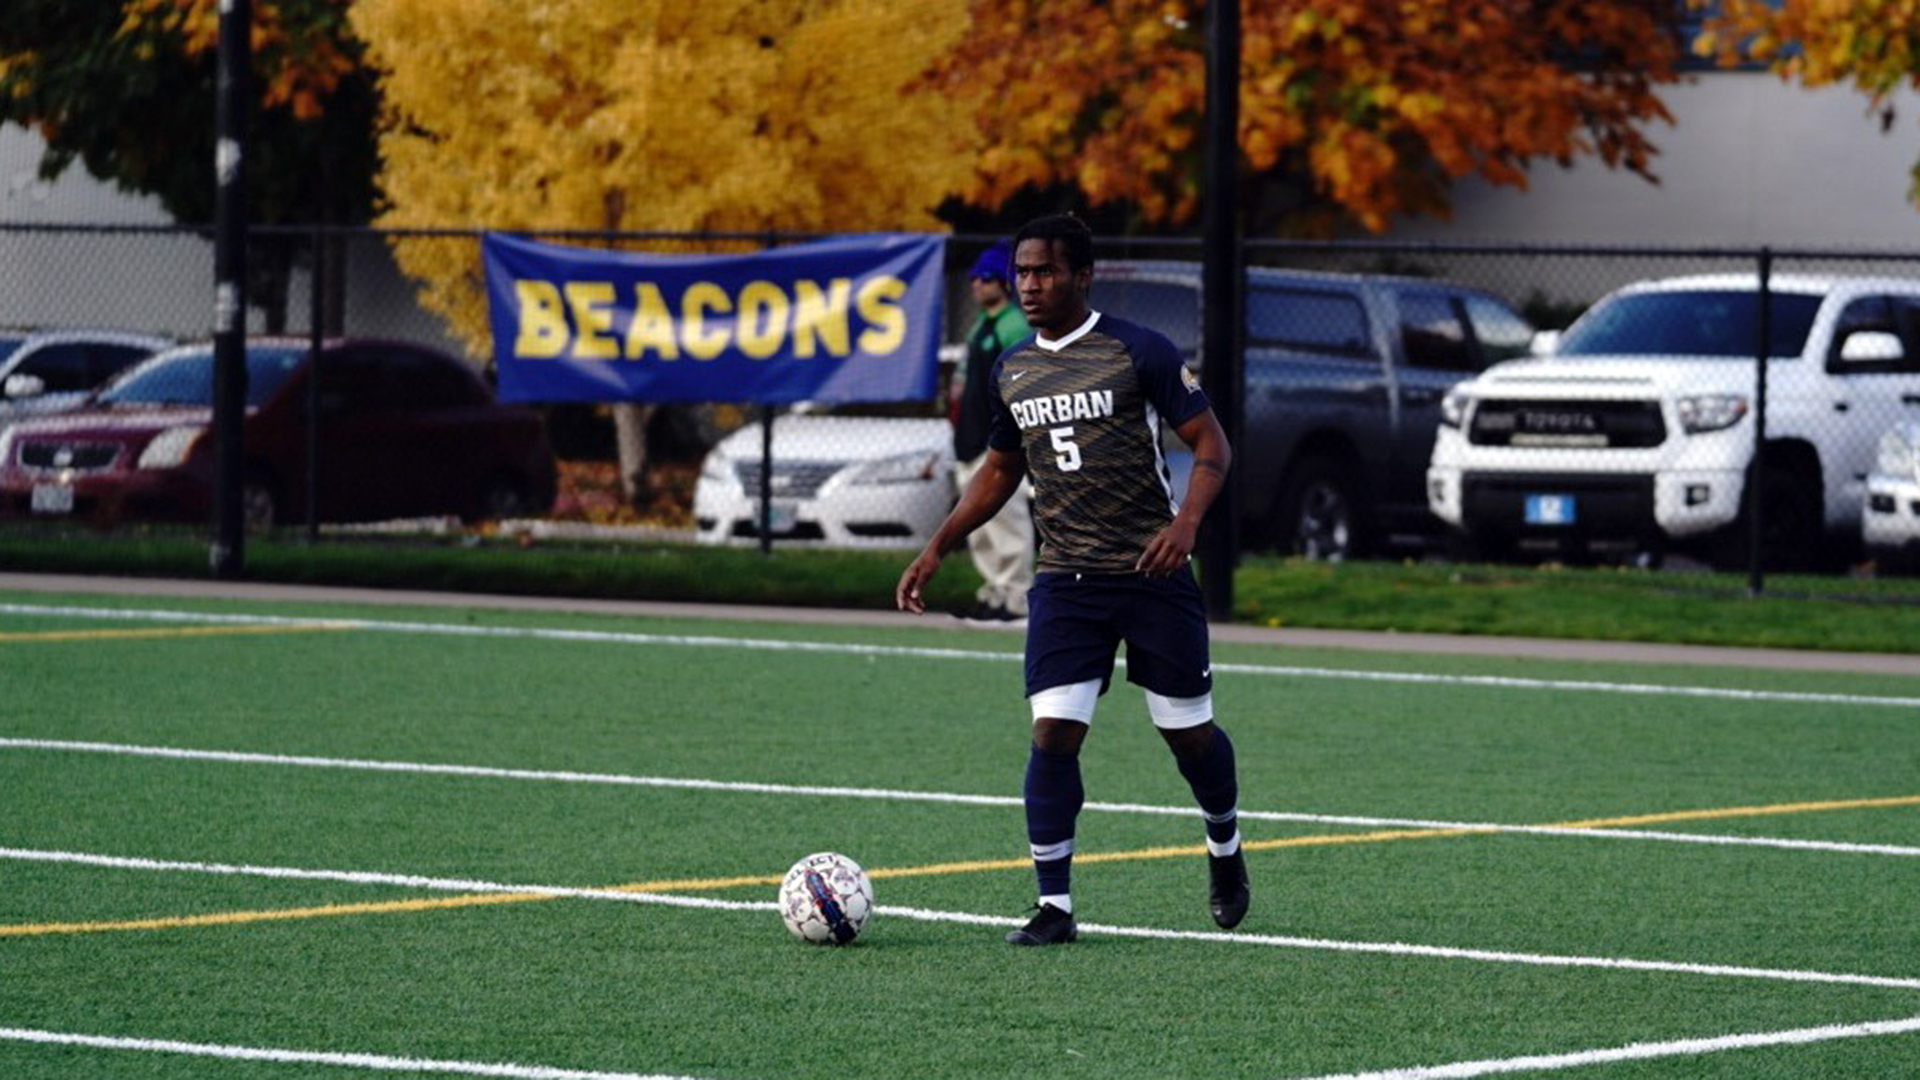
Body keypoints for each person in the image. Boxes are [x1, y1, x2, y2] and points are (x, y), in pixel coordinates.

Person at [896, 213, 1247, 946]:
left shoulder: (1137, 350)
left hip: (1151, 575)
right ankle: (1054, 906)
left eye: (1045, 271)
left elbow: (1211, 442)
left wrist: (1185, 525)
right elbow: (999, 469)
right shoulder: (1012, 369)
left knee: (1187, 737)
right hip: (1066, 581)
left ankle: (1223, 845)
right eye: (1023, 271)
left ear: (1082, 276)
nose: (1030, 284)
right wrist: (938, 545)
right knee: (1053, 734)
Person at [951, 239, 1034, 623]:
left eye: (985, 278)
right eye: (973, 279)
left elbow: (1021, 381)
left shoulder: (1012, 324)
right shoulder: (980, 326)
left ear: (1003, 283)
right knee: (978, 525)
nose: (976, 285)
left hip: (996, 440)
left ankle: (1016, 597)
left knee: (1007, 520)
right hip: (970, 440)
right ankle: (993, 592)